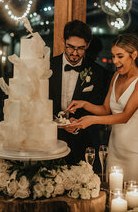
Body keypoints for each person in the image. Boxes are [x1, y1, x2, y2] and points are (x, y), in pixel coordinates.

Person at [65, 33, 138, 183]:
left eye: (120, 56)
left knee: (135, 200)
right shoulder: (116, 77)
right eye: (113, 56)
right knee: (114, 197)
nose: (115, 61)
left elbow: (125, 116)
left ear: (134, 55)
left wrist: (92, 120)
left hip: (136, 151)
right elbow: (106, 109)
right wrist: (84, 104)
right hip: (115, 148)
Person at [49, 20, 110, 168]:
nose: (75, 53)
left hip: (82, 142)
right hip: (48, 141)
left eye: (80, 48)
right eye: (70, 47)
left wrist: (78, 123)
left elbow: (99, 108)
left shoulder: (98, 73)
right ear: (63, 41)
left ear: (87, 45)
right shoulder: (46, 67)